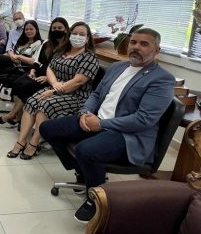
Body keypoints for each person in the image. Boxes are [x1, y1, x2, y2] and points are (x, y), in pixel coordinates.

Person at [40, 28, 174, 223]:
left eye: (144, 44)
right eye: (133, 42)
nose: (136, 47)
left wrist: (101, 124)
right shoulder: (117, 67)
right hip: (95, 119)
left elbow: (143, 119)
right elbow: (95, 95)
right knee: (48, 128)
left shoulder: (162, 79)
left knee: (86, 150)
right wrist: (85, 113)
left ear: (157, 50)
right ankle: (83, 172)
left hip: (126, 133)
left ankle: (96, 200)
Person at [7, 22, 99, 160]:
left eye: (82, 34)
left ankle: (34, 143)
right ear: (69, 35)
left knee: (45, 105)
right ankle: (21, 141)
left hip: (76, 96)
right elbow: (50, 68)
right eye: (74, 33)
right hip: (55, 88)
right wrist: (55, 84)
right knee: (32, 101)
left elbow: (78, 81)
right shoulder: (62, 50)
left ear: (88, 38)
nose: (77, 37)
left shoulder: (89, 57)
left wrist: (55, 91)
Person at [0, 17, 69, 126]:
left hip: (51, 79)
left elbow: (63, 69)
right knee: (17, 83)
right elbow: (38, 60)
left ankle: (12, 114)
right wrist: (33, 70)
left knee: (26, 86)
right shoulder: (47, 43)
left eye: (60, 28)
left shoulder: (68, 47)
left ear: (66, 29)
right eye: (54, 28)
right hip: (37, 72)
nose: (56, 30)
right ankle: (18, 116)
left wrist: (48, 78)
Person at [0, 20, 44, 106]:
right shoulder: (23, 41)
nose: (28, 31)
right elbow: (12, 50)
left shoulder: (40, 44)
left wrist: (19, 57)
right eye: (26, 29)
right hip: (13, 64)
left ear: (36, 30)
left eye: (31, 29)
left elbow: (34, 61)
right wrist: (12, 55)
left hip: (22, 70)